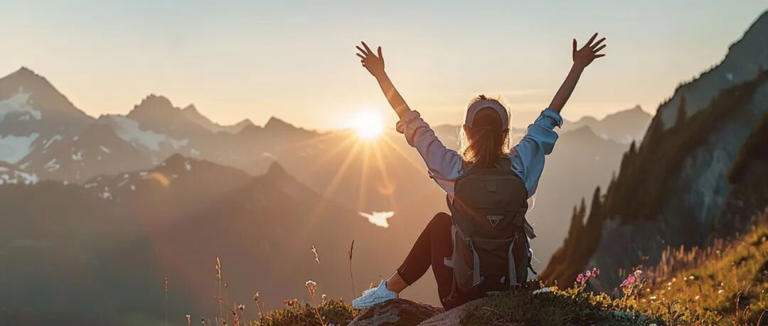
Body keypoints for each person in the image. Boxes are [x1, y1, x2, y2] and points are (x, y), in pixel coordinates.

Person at [352, 33, 607, 310]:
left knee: (441, 224)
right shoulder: (521, 167)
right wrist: (578, 66)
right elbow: (551, 115)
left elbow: (411, 121)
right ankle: (515, 287)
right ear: (506, 133)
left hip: (462, 294)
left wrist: (381, 75)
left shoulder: (455, 171)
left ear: (466, 132)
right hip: (511, 289)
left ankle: (388, 291)